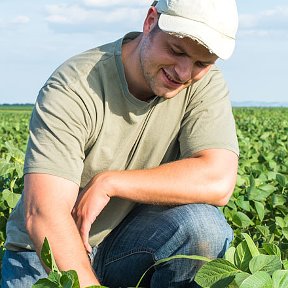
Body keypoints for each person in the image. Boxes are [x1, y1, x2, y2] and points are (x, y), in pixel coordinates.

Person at [2, 0, 239, 287]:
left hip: (126, 246)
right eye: (176, 51)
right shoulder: (75, 85)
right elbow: (44, 213)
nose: (184, 73)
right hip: (44, 253)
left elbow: (218, 179)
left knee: (204, 227)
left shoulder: (205, 84)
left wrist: (111, 182)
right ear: (150, 20)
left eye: (202, 63)